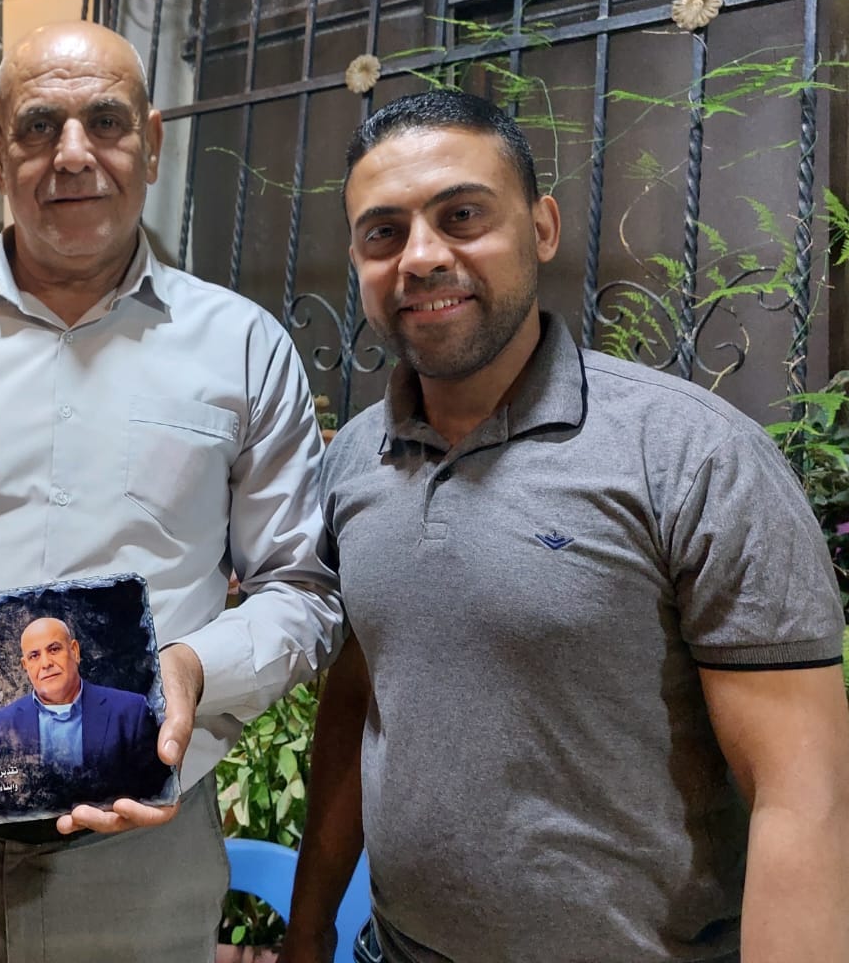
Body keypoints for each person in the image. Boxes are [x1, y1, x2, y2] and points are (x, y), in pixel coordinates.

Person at [0, 20, 342, 962]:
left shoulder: (244, 349)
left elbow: (301, 587)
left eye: (105, 122)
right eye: (40, 125)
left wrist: (192, 669)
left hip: (143, 856)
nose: (72, 154)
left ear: (150, 143)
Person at [280, 90, 849, 963]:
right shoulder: (356, 458)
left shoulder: (692, 455)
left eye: (462, 215)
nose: (422, 256)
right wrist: (309, 933)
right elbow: (360, 700)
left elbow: (804, 796)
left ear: (542, 228)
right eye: (384, 233)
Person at [0, 617, 157, 781]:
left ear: (74, 651)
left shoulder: (131, 711)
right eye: (34, 656)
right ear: (25, 665)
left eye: (54, 649)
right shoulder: (1, 724)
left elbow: (153, 790)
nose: (46, 663)